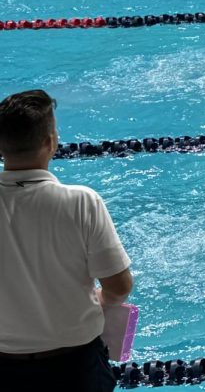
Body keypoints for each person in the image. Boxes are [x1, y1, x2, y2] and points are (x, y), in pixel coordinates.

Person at [0, 89, 134, 391]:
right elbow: (119, 286)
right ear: (51, 142)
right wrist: (101, 304)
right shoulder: (82, 203)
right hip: (76, 369)